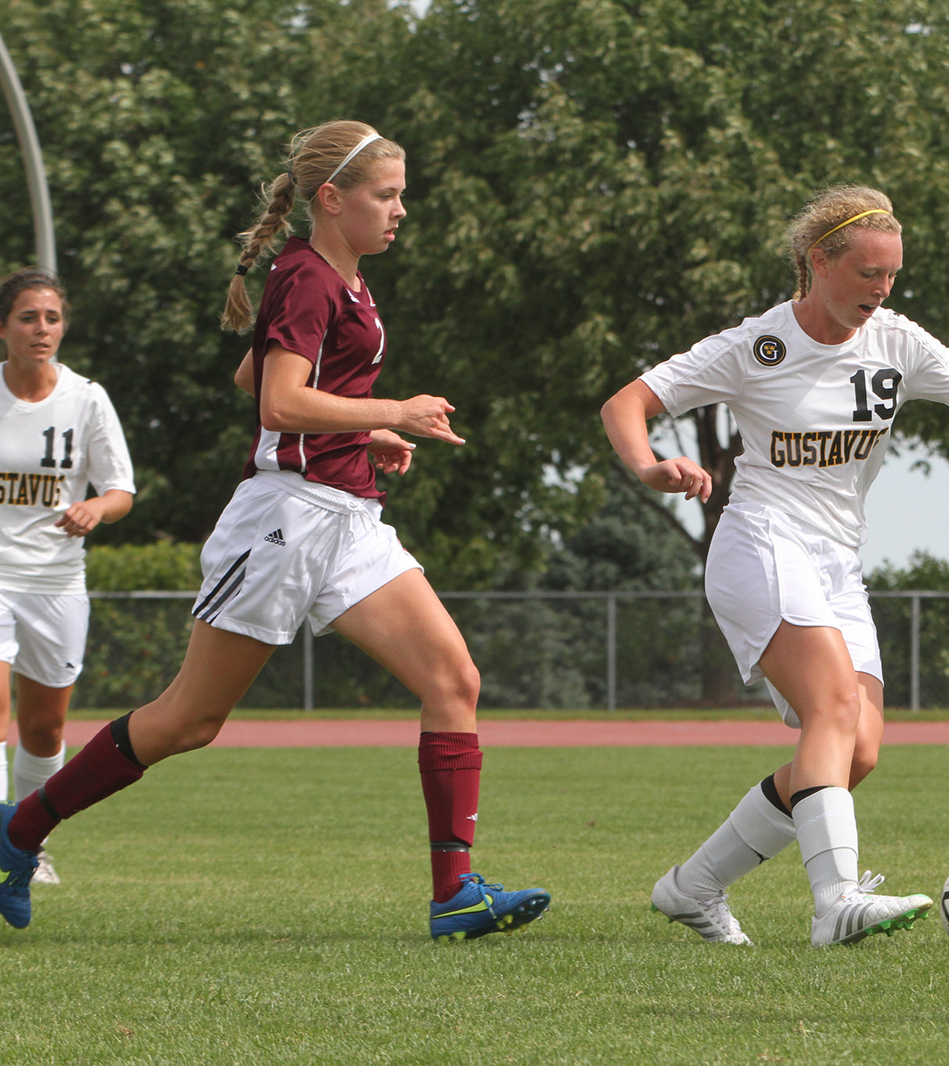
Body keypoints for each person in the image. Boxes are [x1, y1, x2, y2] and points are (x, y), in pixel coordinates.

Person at [0, 120, 550, 941]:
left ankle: (455, 893)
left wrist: (365, 432)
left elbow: (253, 369)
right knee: (189, 720)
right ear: (332, 200)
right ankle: (16, 834)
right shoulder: (308, 277)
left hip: (347, 514)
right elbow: (277, 403)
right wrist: (389, 410)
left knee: (453, 681)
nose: (401, 210)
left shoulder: (343, 279)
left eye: (401, 194)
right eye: (386, 195)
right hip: (285, 519)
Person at [602, 185, 949, 946]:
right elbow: (627, 402)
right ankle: (836, 899)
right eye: (867, 273)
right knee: (832, 712)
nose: (879, 291)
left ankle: (693, 887)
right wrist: (650, 466)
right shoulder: (758, 344)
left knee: (858, 750)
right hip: (759, 543)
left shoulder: (899, 342)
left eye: (891, 277)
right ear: (819, 261)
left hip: (837, 561)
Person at [0, 268, 136, 887]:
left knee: (45, 728)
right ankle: (3, 841)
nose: (41, 329)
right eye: (28, 317)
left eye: (51, 318)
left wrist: (95, 508)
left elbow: (121, 490)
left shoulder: (85, 397)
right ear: (5, 326)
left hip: (56, 582)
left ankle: (32, 839)